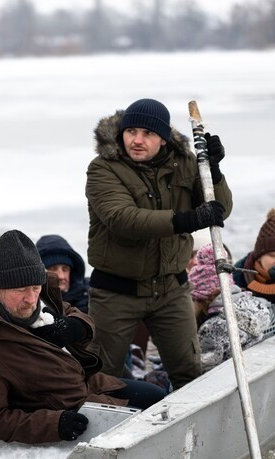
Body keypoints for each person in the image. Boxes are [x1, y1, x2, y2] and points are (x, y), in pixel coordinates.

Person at [0, 230, 167, 444]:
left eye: (35, 288)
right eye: (21, 290)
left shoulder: (31, 296)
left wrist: (75, 327)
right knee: (149, 418)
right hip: (56, 408)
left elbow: (70, 310)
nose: (31, 300)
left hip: (84, 381)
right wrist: (54, 424)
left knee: (158, 399)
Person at [85, 98, 234, 390]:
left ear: (164, 139)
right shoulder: (103, 169)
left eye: (148, 134)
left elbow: (220, 209)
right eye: (131, 132)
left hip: (171, 290)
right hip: (116, 292)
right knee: (101, 381)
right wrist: (186, 221)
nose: (137, 140)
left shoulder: (185, 163)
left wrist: (213, 172)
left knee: (189, 376)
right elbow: (123, 219)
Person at [189, 241, 275, 371]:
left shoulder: (212, 328)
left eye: (191, 297)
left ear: (200, 297)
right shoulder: (256, 306)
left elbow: (198, 371)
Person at [35, 234, 90, 312]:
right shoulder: (31, 303)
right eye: (53, 269)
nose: (61, 276)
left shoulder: (91, 298)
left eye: (65, 269)